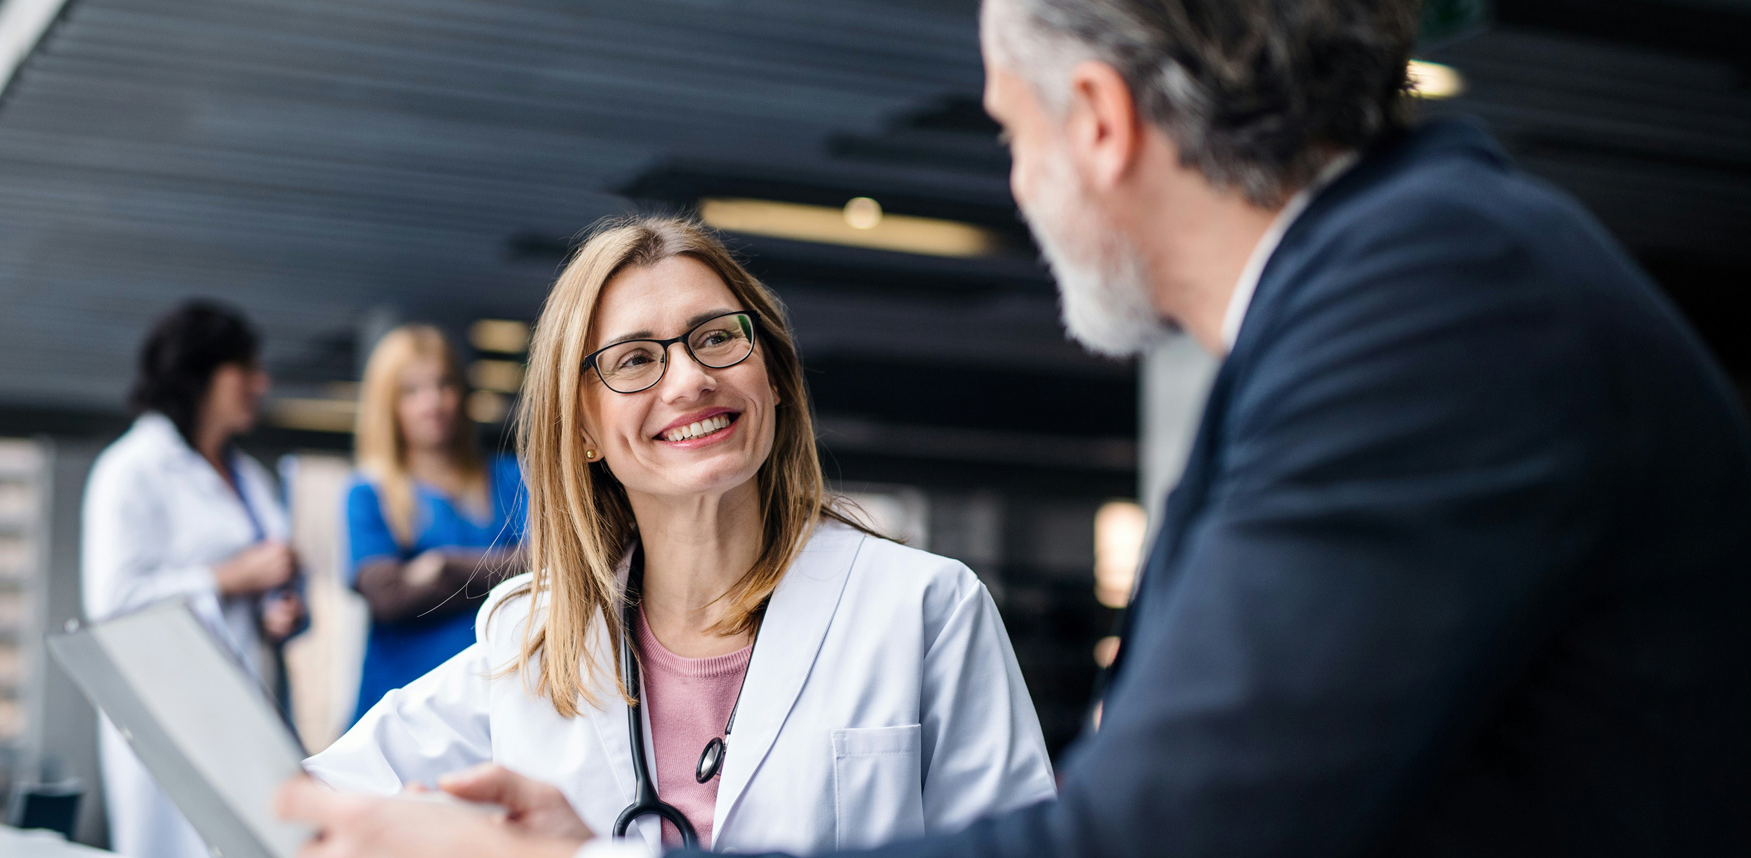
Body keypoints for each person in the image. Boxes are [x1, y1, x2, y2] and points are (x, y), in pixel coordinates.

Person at [276, 0, 1751, 856]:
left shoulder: (1432, 308)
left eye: (1010, 125)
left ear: (1099, 120)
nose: (1018, 173)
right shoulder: (1391, 285)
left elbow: (1155, 839)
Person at [297, 215, 1055, 854]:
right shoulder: (529, 637)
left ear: (775, 380)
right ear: (584, 428)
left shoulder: (924, 608)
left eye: (718, 338)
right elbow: (302, 806)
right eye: (634, 359)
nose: (689, 379)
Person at [84, 299, 305, 858]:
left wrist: (274, 610)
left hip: (244, 701)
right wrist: (227, 577)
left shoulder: (249, 475)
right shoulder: (130, 470)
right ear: (201, 374)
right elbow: (112, 604)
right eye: (247, 369)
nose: (262, 382)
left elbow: (263, 584)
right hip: (165, 706)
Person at [344, 324, 528, 724]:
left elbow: (550, 565)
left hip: (499, 699)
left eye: (444, 384)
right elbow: (388, 597)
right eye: (412, 391)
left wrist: (442, 568)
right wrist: (502, 570)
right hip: (403, 704)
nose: (433, 402)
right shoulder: (368, 494)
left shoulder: (511, 478)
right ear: (388, 404)